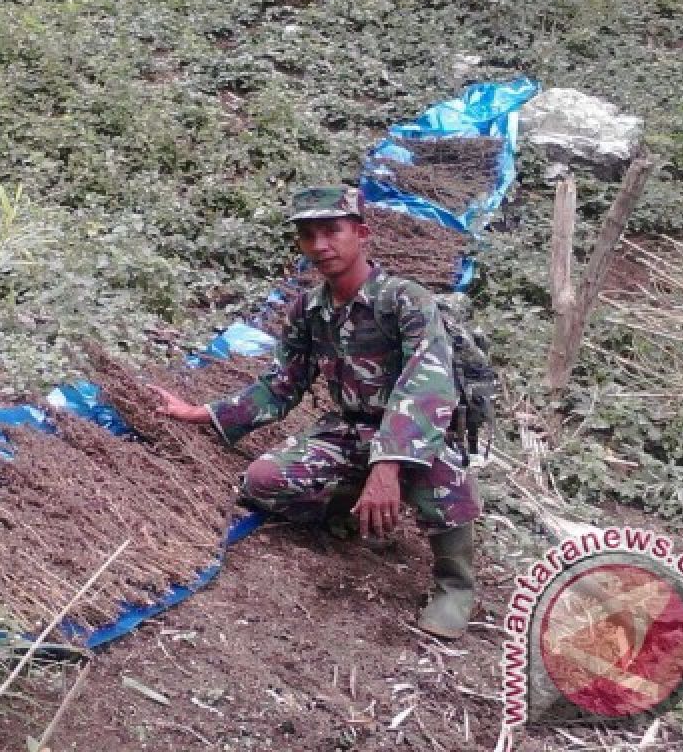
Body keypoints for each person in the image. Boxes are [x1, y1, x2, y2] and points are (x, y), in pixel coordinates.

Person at [151, 185, 482, 640]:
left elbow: (428, 387)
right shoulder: (308, 310)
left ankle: (454, 584)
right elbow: (282, 383)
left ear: (362, 233)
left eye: (332, 231)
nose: (320, 246)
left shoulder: (404, 300)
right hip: (351, 430)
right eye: (308, 236)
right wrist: (205, 413)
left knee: (442, 477)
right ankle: (348, 509)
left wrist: (388, 466)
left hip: (417, 432)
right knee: (262, 481)